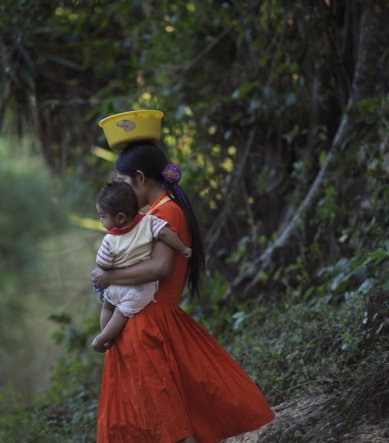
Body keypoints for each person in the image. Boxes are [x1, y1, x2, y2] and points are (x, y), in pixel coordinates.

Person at [92, 140, 275, 442]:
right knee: (166, 413)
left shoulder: (166, 213)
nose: (119, 195)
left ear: (140, 178)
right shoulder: (152, 216)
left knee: (167, 419)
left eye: (123, 183)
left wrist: (108, 275)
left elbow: (160, 268)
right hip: (146, 321)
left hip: (147, 324)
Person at [91, 180, 192, 353]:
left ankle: (104, 337)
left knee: (108, 306)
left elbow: (103, 264)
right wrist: (183, 248)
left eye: (103, 216)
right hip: (141, 289)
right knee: (121, 313)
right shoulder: (150, 221)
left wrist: (103, 273)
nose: (101, 220)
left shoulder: (109, 239)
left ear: (120, 217)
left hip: (119, 284)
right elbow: (167, 234)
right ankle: (104, 338)